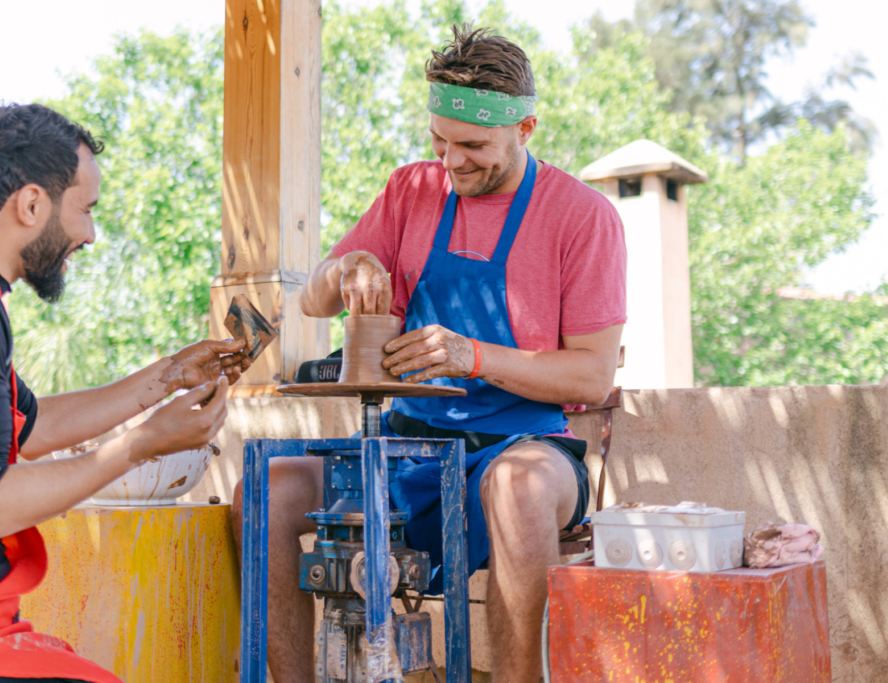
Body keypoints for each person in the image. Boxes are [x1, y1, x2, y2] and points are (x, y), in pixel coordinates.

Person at [232, 25, 627, 681]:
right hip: (402, 444)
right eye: (440, 141)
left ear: (525, 128)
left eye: (473, 145)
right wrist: (349, 265)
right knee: (264, 490)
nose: (454, 161)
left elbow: (589, 370)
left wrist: (470, 354)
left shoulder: (581, 217)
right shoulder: (412, 190)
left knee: (517, 489)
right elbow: (314, 302)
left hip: (523, 443)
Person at [0, 103, 247, 683]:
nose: (90, 235)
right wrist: (143, 445)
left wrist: (165, 377)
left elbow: (31, 428)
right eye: (85, 210)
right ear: (31, 204)